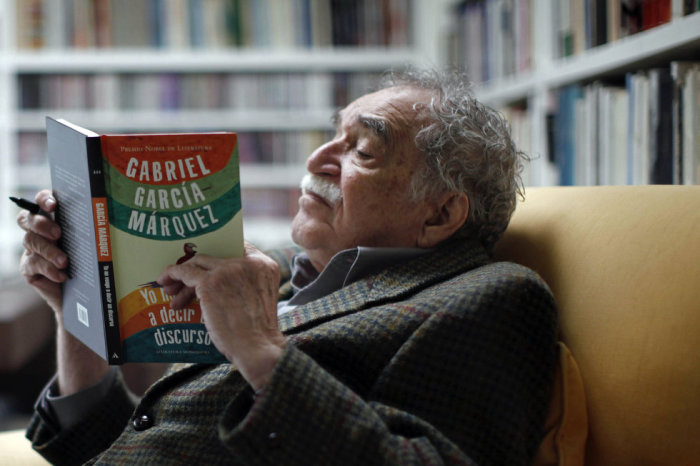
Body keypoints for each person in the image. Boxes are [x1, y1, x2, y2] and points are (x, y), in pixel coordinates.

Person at [16, 68, 557, 465]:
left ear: (440, 215)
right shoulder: (268, 272)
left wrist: (261, 350)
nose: (316, 159)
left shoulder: (493, 297)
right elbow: (131, 444)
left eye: (363, 150)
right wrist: (77, 305)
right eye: (334, 135)